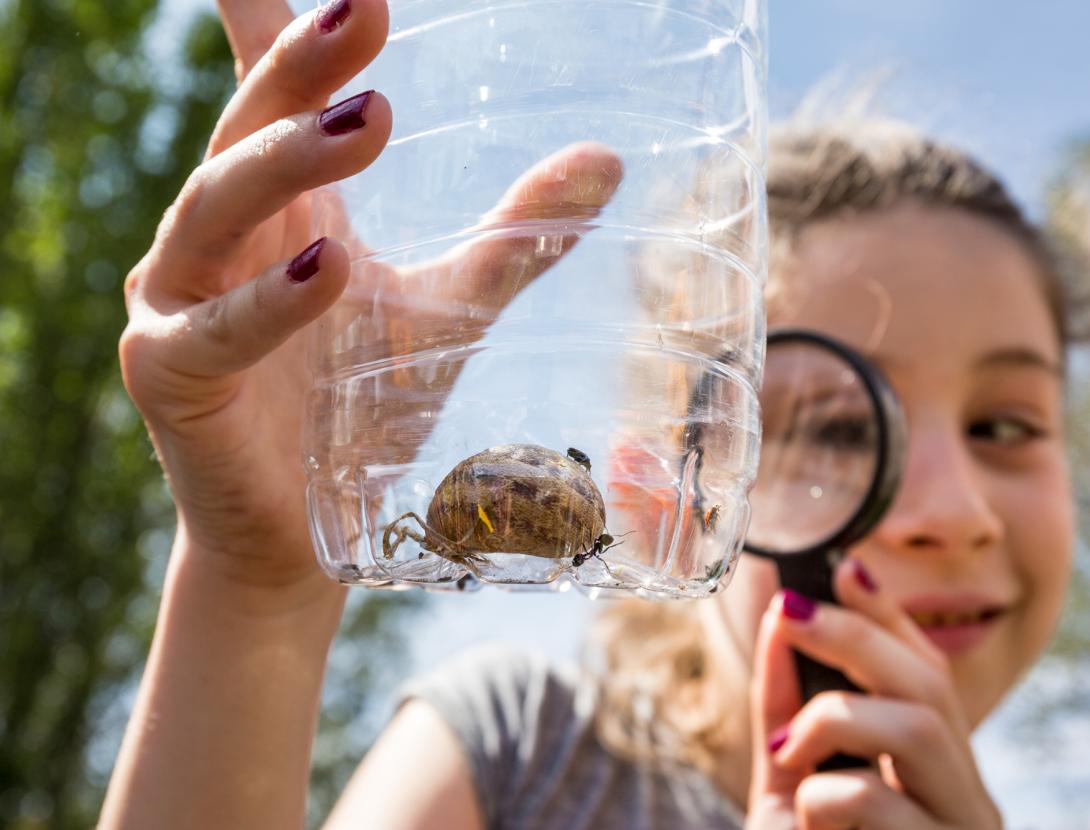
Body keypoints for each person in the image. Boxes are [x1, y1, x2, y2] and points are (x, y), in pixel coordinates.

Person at [99, 1, 1085, 828]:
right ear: (656, 493)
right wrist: (258, 588)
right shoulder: (515, 748)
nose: (954, 508)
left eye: (1004, 424)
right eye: (832, 427)